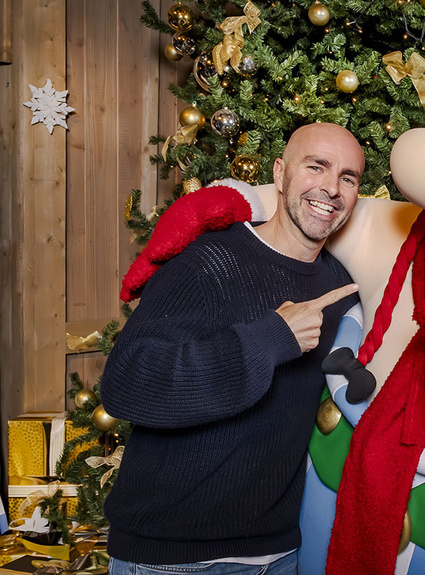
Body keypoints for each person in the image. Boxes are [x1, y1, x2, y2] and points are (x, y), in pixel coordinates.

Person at [100, 122, 365, 574]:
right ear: (280, 174)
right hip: (174, 558)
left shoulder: (341, 285)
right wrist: (272, 337)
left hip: (281, 554)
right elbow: (127, 384)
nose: (331, 188)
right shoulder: (209, 259)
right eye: (315, 166)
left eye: (347, 177)